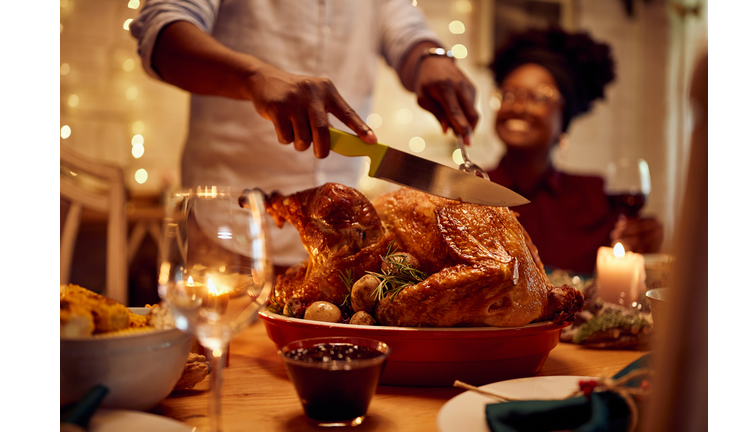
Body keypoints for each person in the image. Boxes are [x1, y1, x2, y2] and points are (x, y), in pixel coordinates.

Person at [129, 0, 479, 273]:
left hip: (342, 247)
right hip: (229, 227)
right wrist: (255, 77)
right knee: (224, 359)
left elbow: (404, 28)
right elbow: (161, 32)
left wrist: (432, 57)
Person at [487, 27, 662, 274]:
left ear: (564, 119)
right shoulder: (470, 189)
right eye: (509, 94)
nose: (517, 106)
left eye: (537, 97)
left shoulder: (598, 198)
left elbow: (621, 275)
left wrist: (643, 248)